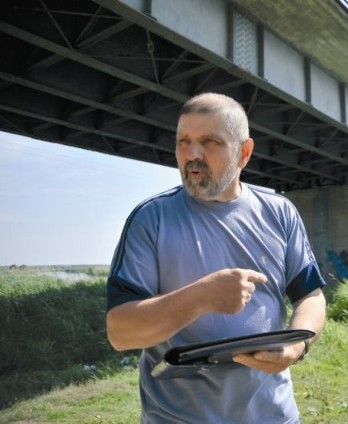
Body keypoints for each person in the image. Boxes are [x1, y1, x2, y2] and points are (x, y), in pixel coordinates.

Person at [106, 92, 327, 423]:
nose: (192, 154)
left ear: (244, 152)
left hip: (274, 415)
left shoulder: (280, 212)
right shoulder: (150, 219)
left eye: (210, 142)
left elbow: (310, 294)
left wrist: (298, 346)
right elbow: (120, 332)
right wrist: (202, 296)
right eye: (184, 142)